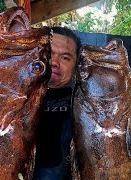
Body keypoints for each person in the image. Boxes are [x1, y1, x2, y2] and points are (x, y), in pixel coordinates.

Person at [34, 26, 82, 180]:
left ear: (76, 67)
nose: (54, 62)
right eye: (49, 53)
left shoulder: (88, 107)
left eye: (65, 57)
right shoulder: (14, 98)